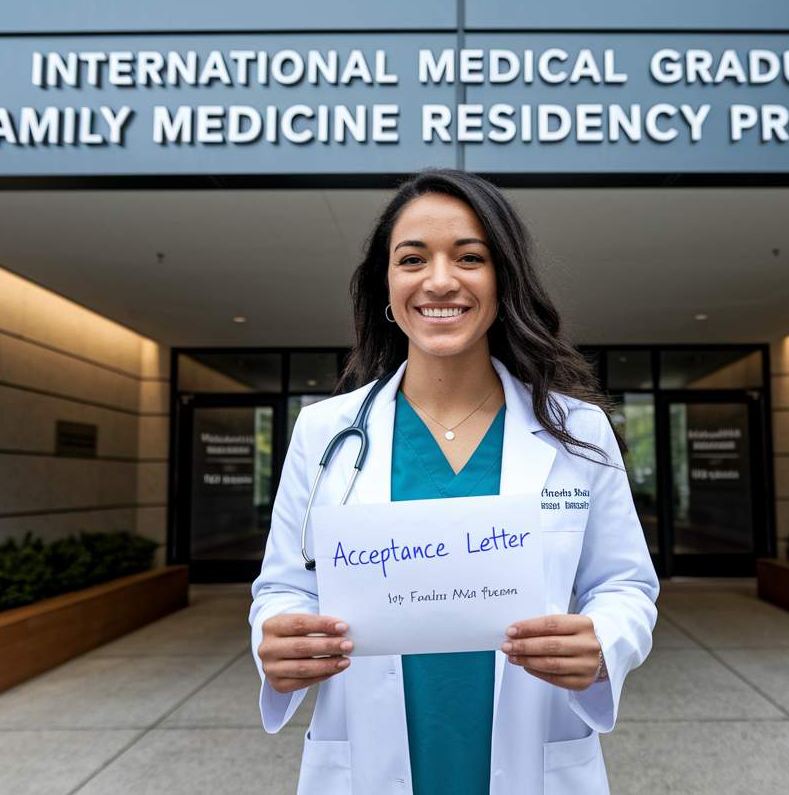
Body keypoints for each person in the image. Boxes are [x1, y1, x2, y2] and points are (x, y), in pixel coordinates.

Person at [250, 168, 658, 795]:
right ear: (387, 284)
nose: (440, 280)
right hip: (365, 761)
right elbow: (284, 586)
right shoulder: (323, 433)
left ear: (503, 281)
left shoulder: (579, 432)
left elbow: (624, 584)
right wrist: (276, 640)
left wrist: (606, 641)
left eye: (470, 257)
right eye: (412, 259)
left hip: (536, 760)